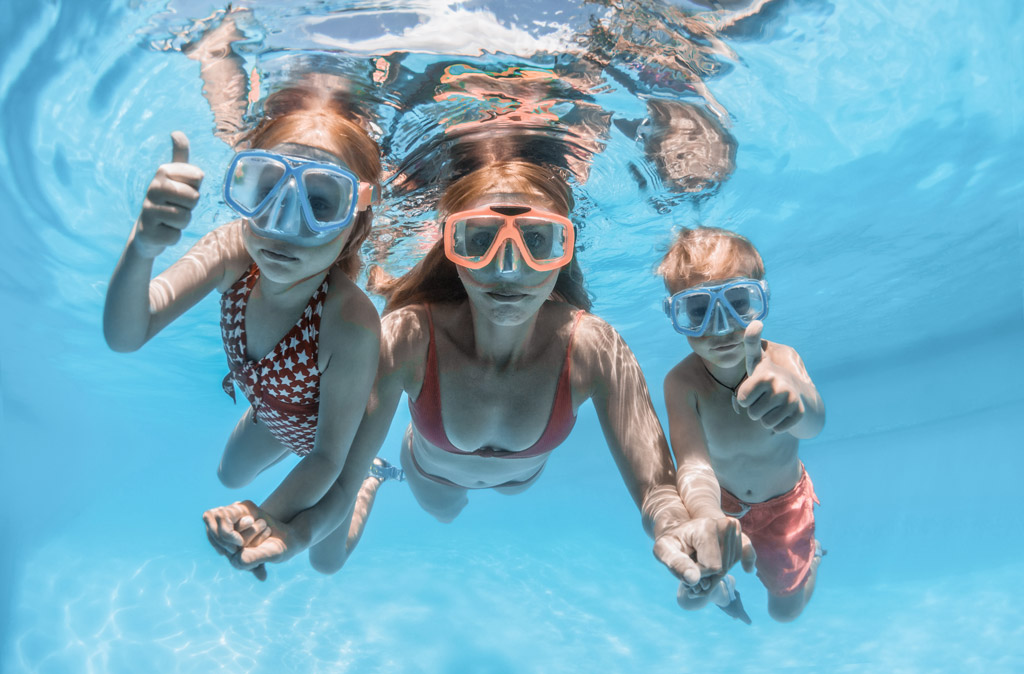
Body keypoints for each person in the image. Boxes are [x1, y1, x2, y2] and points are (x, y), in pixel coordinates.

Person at [205, 160, 753, 589]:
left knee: (479, 502)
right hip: (432, 473)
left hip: (520, 479)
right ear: (451, 247)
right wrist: (292, 530)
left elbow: (656, 486)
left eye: (537, 240)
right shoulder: (408, 338)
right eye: (479, 238)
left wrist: (675, 526)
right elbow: (341, 481)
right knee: (386, 537)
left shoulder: (593, 347)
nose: (507, 268)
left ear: (565, 251)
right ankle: (385, 477)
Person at [103, 84, 391, 579]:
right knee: (227, 474)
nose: (283, 224)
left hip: (330, 442)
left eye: (321, 203)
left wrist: (264, 516)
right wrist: (142, 247)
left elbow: (325, 456)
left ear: (356, 218)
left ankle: (371, 480)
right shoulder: (233, 252)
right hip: (272, 416)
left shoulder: (349, 321)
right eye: (266, 190)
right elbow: (127, 333)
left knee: (327, 560)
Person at [658, 227, 825, 623]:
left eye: (737, 302)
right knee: (689, 599)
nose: (721, 326)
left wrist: (797, 403)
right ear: (674, 315)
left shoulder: (783, 360)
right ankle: (723, 591)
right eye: (697, 310)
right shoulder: (682, 384)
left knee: (784, 611)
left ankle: (812, 557)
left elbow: (815, 424)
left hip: (782, 507)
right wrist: (707, 514)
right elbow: (693, 464)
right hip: (720, 504)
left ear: (760, 299)